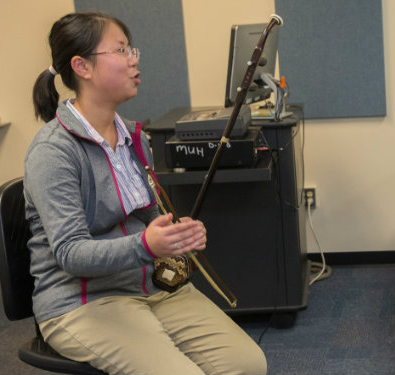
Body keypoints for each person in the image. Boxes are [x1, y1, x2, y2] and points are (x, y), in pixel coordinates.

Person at [25, 12, 266, 374]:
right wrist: (146, 246)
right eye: (120, 51)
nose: (134, 59)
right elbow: (71, 254)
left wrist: (176, 233)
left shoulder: (134, 136)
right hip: (83, 301)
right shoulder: (54, 152)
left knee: (248, 365)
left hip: (151, 285)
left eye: (131, 49)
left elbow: (147, 216)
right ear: (82, 66)